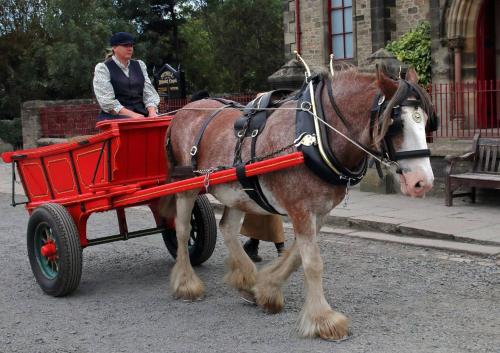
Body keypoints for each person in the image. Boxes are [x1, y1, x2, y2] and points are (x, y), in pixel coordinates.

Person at [93, 32, 160, 121]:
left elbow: (149, 94)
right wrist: (133, 116)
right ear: (114, 48)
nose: (130, 49)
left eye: (131, 45)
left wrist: (152, 112)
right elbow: (107, 102)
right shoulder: (103, 68)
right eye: (125, 45)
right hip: (116, 118)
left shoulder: (140, 65)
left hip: (143, 114)